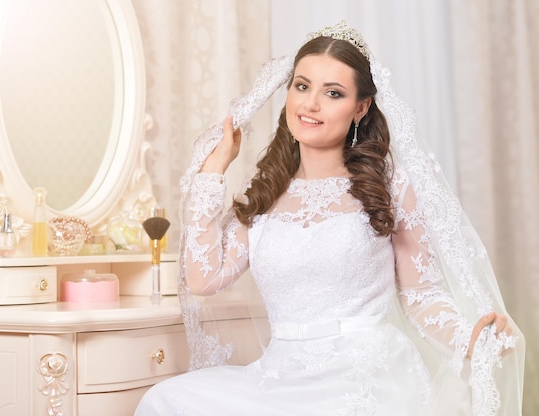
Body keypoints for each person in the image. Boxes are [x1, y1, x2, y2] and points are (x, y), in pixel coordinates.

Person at [135, 21, 524, 415]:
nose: (310, 104)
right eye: (302, 86)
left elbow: (422, 297)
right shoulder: (265, 194)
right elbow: (204, 278)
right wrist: (213, 170)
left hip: (365, 376)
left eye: (332, 93)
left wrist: (468, 340)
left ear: (361, 107)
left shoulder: (387, 186)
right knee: (164, 400)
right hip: (281, 377)